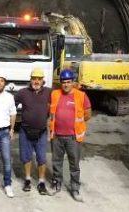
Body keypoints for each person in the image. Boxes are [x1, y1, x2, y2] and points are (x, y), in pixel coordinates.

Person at [49, 68, 92, 202]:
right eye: (63, 82)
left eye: (68, 82)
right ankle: (56, 184)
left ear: (73, 82)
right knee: (57, 162)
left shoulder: (81, 95)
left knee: (74, 164)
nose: (66, 84)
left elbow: (88, 114)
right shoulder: (54, 94)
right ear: (60, 83)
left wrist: (75, 124)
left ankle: (75, 188)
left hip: (73, 137)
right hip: (56, 135)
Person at [14, 67, 51, 195]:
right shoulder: (22, 92)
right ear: (30, 80)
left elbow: (61, 96)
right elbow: (9, 102)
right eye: (34, 78)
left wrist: (75, 87)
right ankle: (28, 179)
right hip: (25, 130)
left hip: (41, 132)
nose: (36, 81)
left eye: (39, 79)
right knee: (26, 157)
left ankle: (41, 182)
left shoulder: (49, 92)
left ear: (43, 80)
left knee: (41, 158)